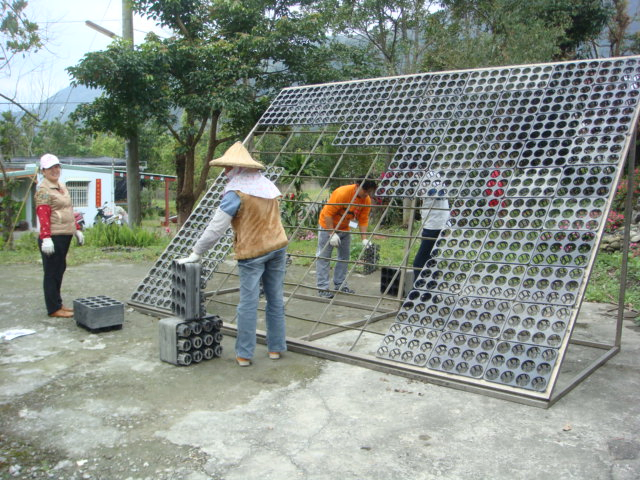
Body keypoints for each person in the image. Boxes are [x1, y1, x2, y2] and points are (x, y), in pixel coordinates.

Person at [178, 142, 288, 367]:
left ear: (238, 168)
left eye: (228, 167)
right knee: (275, 299)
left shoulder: (236, 194)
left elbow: (216, 228)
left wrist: (197, 252)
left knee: (248, 303)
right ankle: (275, 348)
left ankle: (244, 354)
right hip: (278, 245)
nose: (226, 171)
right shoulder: (267, 186)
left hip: (253, 252)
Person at [35, 154, 84, 318]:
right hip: (53, 236)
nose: (55, 170)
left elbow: (68, 209)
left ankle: (58, 303)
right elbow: (43, 214)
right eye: (50, 168)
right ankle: (53, 308)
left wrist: (76, 229)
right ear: (43, 171)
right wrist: (46, 237)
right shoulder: (43, 190)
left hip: (64, 234)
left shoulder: (61, 186)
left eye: (57, 167)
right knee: (52, 272)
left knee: (59, 269)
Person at [316, 178, 377, 299]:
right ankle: (322, 288)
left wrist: (364, 238)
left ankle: (340, 285)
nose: (367, 194)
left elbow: (363, 219)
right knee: (324, 257)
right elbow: (328, 214)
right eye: (365, 190)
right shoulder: (342, 193)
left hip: (344, 228)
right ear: (357, 185)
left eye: (369, 192)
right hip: (327, 226)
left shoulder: (366, 200)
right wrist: (331, 233)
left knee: (344, 257)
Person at [412, 195, 450, 282]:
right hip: (432, 222)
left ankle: (419, 288)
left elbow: (435, 193)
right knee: (430, 259)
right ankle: (431, 287)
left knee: (419, 262)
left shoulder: (435, 187)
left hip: (435, 224)